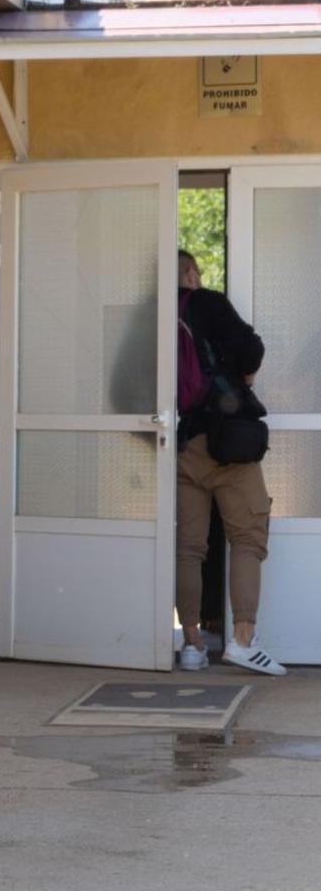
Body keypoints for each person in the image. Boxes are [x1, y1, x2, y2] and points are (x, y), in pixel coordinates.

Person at [176, 250, 284, 675]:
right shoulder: (206, 302)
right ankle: (242, 640)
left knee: (188, 548)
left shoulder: (149, 318)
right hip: (227, 443)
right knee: (248, 537)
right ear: (190, 271)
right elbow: (250, 350)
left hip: (183, 444)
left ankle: (191, 645)